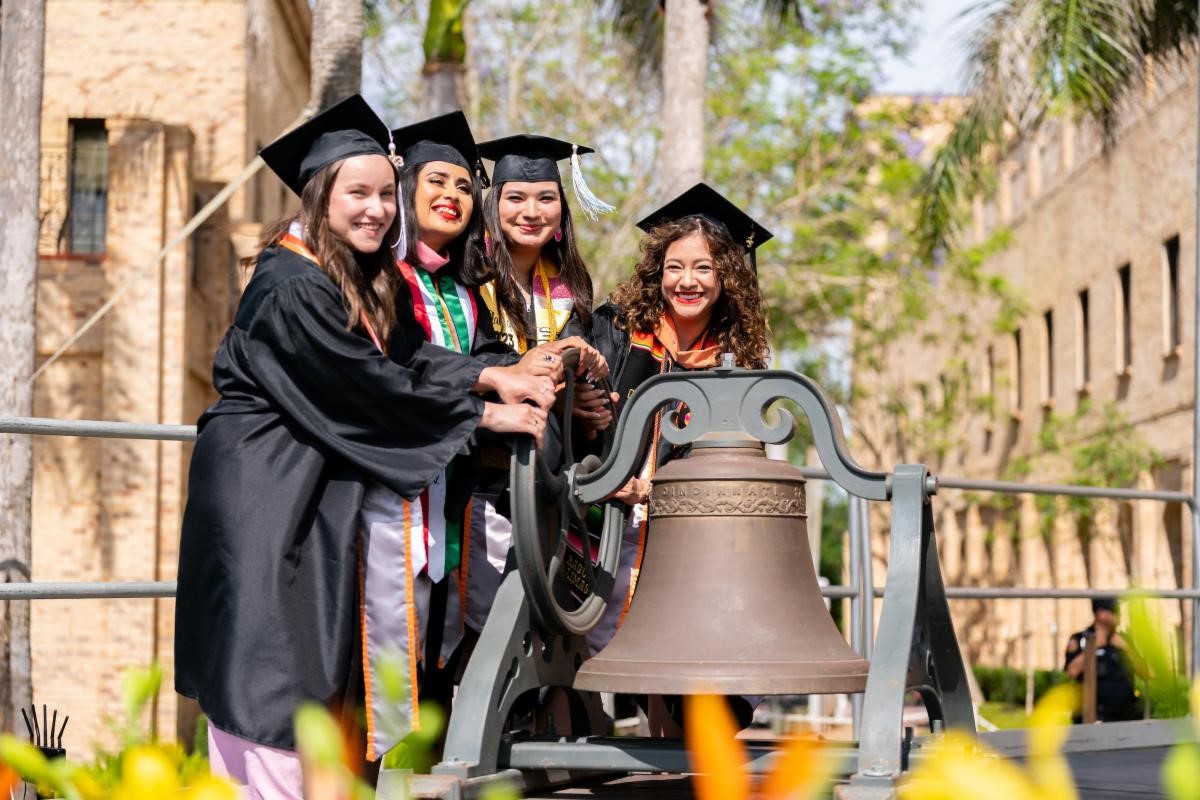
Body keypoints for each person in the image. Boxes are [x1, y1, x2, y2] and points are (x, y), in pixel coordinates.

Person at [174, 95, 554, 798]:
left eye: (386, 193)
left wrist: (491, 372)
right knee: (276, 675)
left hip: (307, 497)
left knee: (321, 670)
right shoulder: (290, 288)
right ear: (320, 196)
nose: (378, 208)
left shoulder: (348, 278)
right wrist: (485, 419)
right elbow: (367, 389)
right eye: (359, 193)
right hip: (266, 504)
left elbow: (414, 357)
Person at [583, 183, 772, 732]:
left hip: (685, 535)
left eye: (704, 268)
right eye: (674, 266)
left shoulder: (739, 360)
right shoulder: (616, 331)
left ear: (727, 278)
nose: (686, 281)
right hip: (604, 525)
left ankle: (681, 734)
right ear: (656, 272)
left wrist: (657, 490)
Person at [464, 134, 616, 632]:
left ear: (562, 211)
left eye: (546, 197)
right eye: (516, 197)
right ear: (493, 206)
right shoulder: (467, 276)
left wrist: (585, 399)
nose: (532, 211)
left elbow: (570, 375)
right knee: (481, 626)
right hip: (479, 478)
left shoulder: (571, 284)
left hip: (545, 487)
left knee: (532, 627)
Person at [1063, 597, 1143, 722]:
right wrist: (1093, 647)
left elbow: (1145, 673)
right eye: (1114, 611)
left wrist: (1126, 648)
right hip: (1092, 717)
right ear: (1101, 613)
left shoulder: (1124, 639)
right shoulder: (1081, 639)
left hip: (1125, 716)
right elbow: (1072, 671)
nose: (1119, 615)